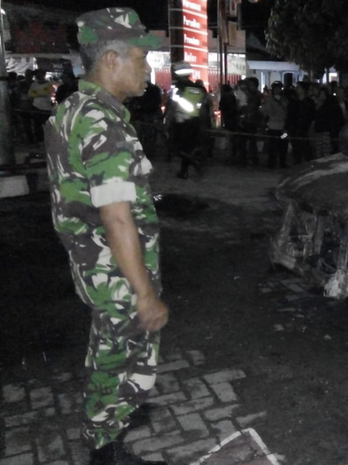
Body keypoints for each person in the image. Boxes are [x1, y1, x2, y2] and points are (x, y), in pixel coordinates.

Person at [43, 7, 168, 465]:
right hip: (115, 269)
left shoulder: (73, 110)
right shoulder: (103, 125)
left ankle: (121, 406)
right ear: (111, 59)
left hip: (92, 262)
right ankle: (105, 443)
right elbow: (117, 218)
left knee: (113, 346)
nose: (147, 68)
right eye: (140, 57)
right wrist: (144, 292)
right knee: (117, 351)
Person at [165, 62, 209, 179]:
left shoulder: (178, 88)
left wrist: (168, 119)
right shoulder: (199, 88)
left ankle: (192, 164)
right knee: (188, 146)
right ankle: (185, 170)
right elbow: (203, 107)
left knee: (177, 147)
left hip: (180, 121)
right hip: (194, 121)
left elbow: (172, 105)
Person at [260, 81, 289, 168]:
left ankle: (282, 162)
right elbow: (264, 111)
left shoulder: (284, 99)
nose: (277, 90)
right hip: (273, 127)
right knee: (273, 146)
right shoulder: (270, 100)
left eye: (279, 88)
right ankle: (272, 163)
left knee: (283, 145)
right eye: (276, 88)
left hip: (283, 127)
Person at [286, 83, 316, 164]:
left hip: (305, 131)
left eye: (298, 87)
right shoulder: (293, 102)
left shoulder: (309, 102)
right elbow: (289, 117)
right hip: (294, 131)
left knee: (307, 151)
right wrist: (288, 128)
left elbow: (312, 117)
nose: (296, 88)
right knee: (296, 151)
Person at [28, 68, 55, 143]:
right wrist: (41, 92)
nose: (37, 76)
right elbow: (30, 94)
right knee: (37, 126)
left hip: (46, 108)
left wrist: (37, 93)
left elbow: (48, 92)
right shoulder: (34, 84)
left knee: (47, 125)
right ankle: (39, 140)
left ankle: (49, 140)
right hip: (36, 107)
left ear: (43, 75)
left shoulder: (49, 84)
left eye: (39, 74)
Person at [218, 84, 238, 164]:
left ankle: (229, 157)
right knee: (233, 140)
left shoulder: (225, 97)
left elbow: (221, 107)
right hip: (233, 120)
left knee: (229, 140)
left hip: (228, 121)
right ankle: (232, 155)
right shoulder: (232, 96)